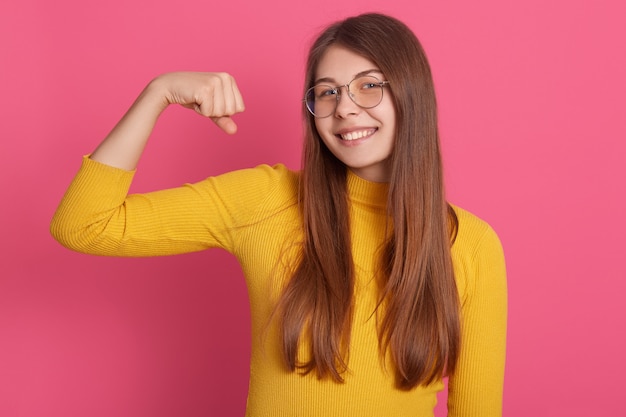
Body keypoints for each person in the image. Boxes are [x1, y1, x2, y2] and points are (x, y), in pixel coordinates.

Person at [51, 12, 507, 417]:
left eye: (369, 85)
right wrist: (158, 93)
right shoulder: (267, 199)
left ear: (412, 95)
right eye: (326, 93)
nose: (344, 107)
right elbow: (84, 225)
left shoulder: (469, 243)